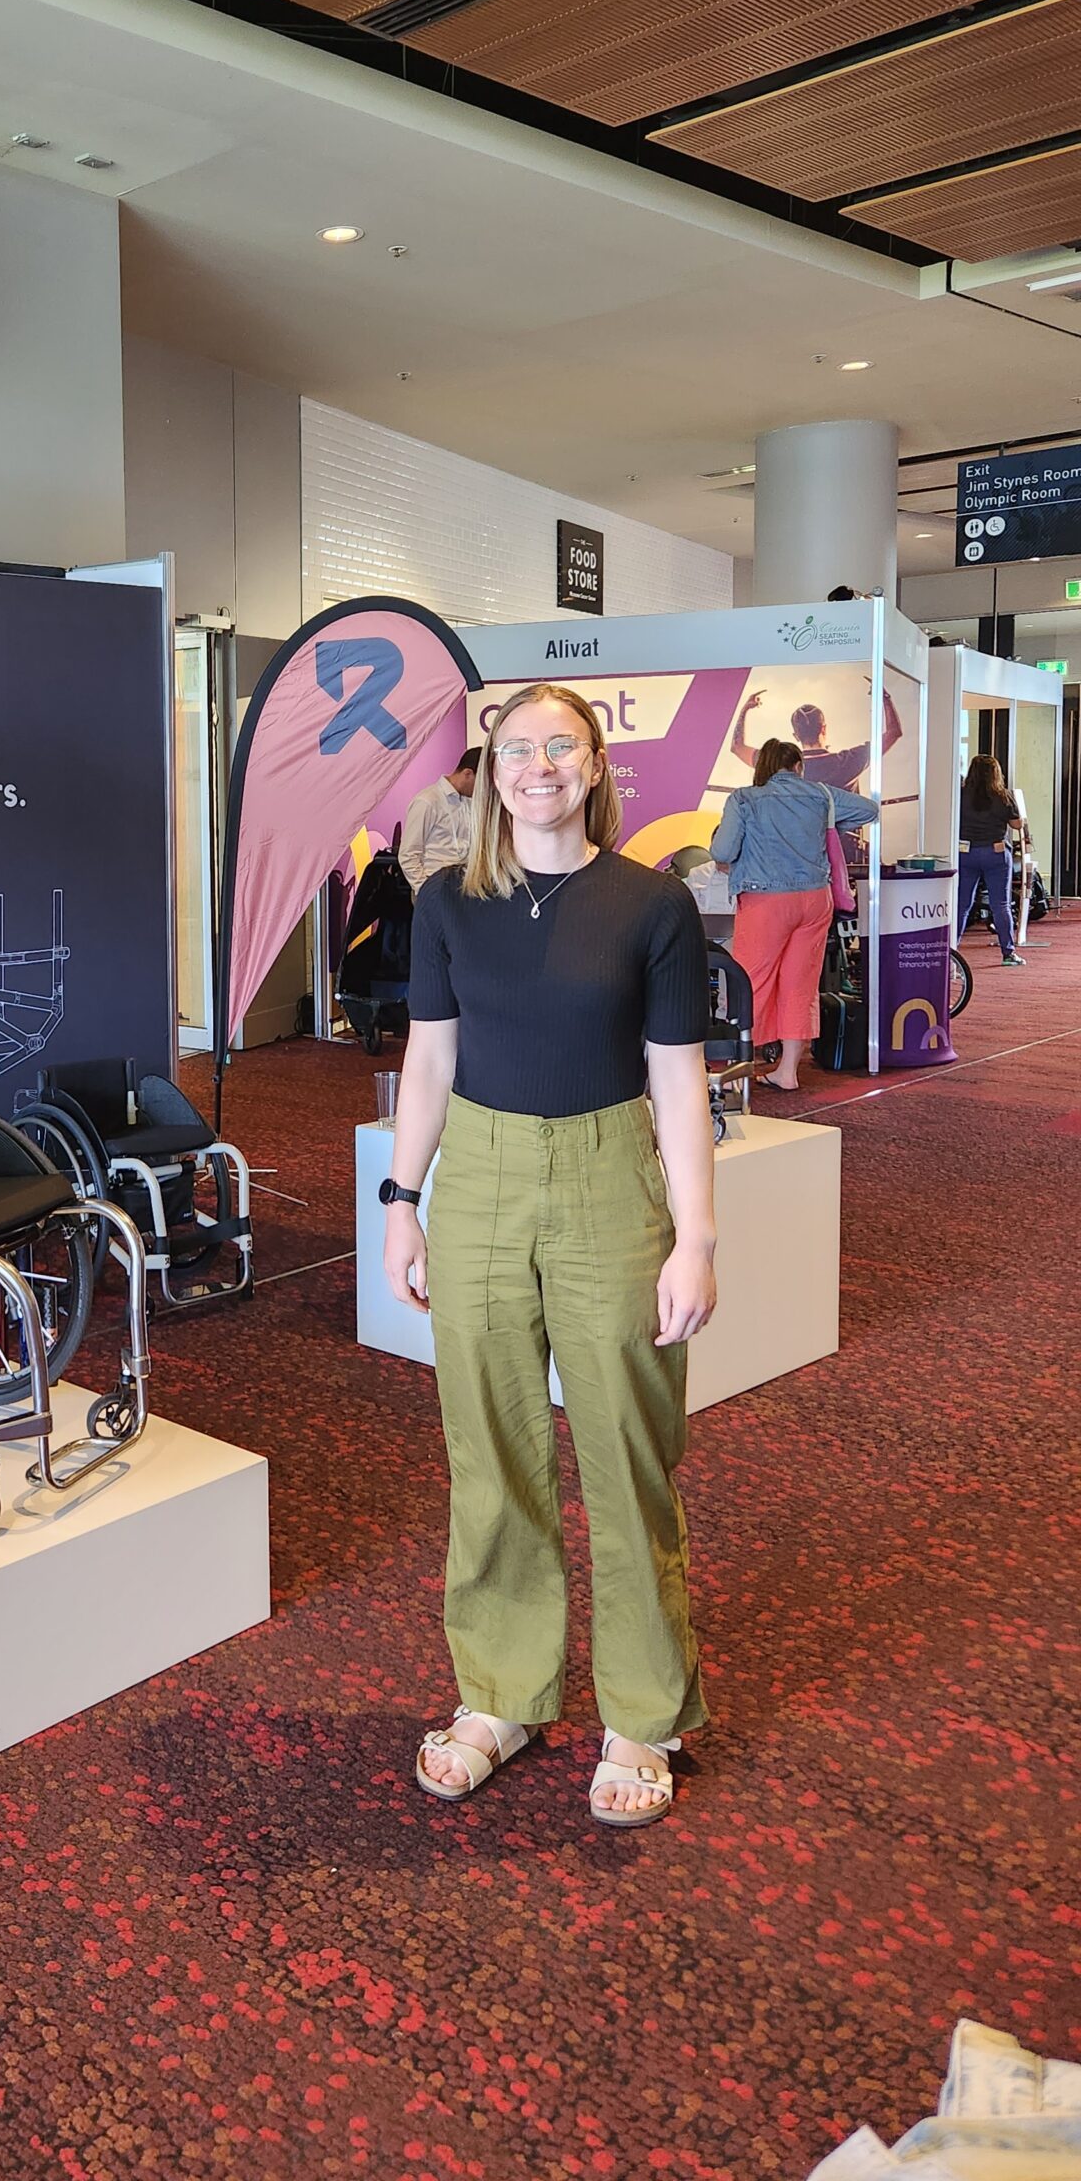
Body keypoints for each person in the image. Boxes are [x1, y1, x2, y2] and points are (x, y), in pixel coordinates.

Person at [382, 684, 715, 1829]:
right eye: (515, 748)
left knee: (629, 1450)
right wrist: (399, 1199)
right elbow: (429, 1061)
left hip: (608, 1177)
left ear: (593, 761)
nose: (536, 767)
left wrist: (696, 1236)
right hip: (474, 1176)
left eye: (557, 746)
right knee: (491, 1446)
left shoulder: (653, 903)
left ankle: (640, 1710)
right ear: (491, 765)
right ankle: (503, 1693)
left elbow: (679, 1082)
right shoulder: (445, 903)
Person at [710, 740, 878, 1091]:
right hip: (815, 900)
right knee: (800, 986)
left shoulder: (744, 799)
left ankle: (738, 1074)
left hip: (766, 900)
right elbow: (869, 809)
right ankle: (787, 1072)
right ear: (798, 765)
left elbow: (722, 850)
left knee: (751, 982)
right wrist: (821, 823)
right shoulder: (821, 795)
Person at [731, 680, 902, 797]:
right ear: (823, 728)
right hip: (842, 844)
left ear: (795, 736)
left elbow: (737, 747)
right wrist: (885, 699)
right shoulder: (849, 761)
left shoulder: (776, 763)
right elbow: (893, 732)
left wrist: (745, 709)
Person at [958, 754, 1026, 967]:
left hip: (966, 853)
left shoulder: (960, 795)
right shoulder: (1002, 796)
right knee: (1001, 904)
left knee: (962, 904)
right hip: (995, 854)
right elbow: (1016, 825)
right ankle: (1008, 952)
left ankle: (951, 951)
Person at [399, 747, 483, 893]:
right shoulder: (427, 801)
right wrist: (426, 890)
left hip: (463, 888)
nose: (482, 789)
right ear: (468, 773)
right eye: (481, 783)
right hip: (435, 888)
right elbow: (408, 854)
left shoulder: (470, 802)